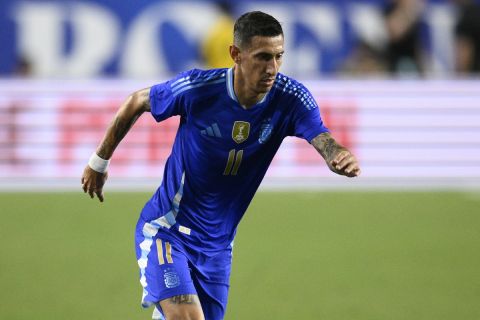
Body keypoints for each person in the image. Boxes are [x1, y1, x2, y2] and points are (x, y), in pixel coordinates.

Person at [81, 11, 360, 320]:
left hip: (217, 248)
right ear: (235, 54)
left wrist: (335, 154)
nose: (272, 68)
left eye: (279, 57)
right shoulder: (199, 89)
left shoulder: (290, 98)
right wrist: (99, 162)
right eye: (263, 57)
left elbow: (321, 135)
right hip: (168, 231)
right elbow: (137, 101)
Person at [453, 0, 480, 74]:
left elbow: (464, 52)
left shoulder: (467, 16)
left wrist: (460, 78)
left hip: (474, 77)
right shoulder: (476, 12)